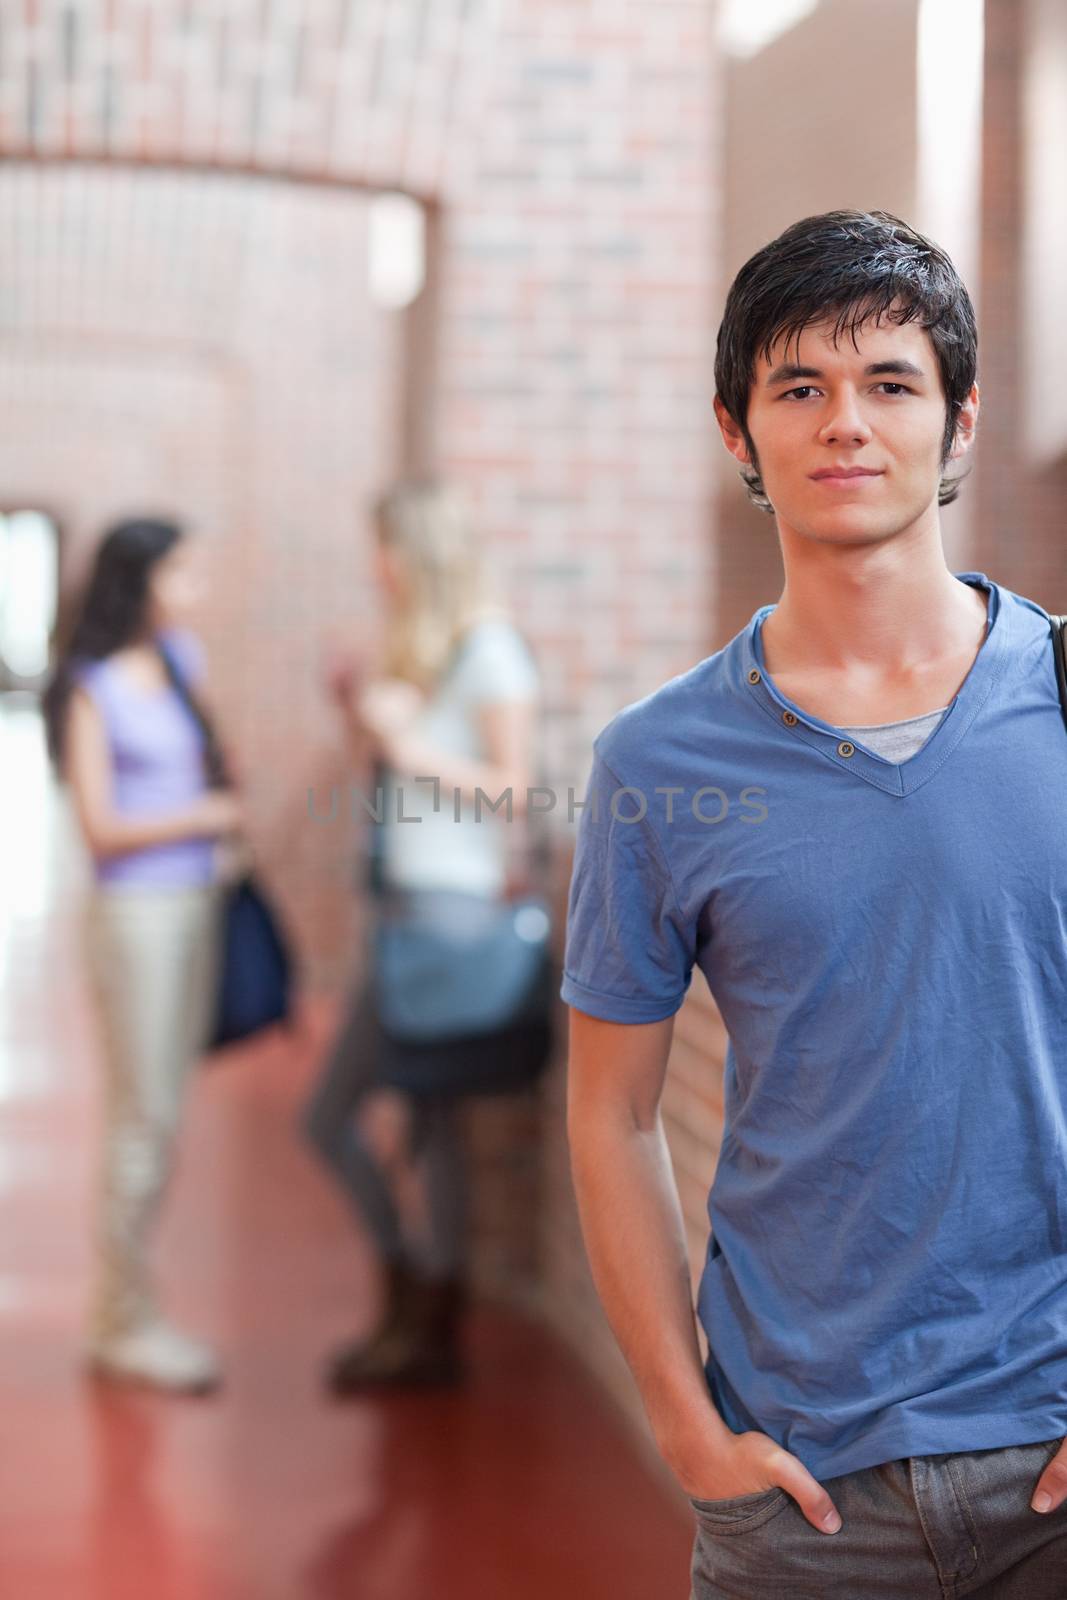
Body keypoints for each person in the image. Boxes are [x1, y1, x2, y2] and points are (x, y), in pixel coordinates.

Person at [562, 210, 1067, 1597]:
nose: (845, 425)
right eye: (799, 388)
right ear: (737, 431)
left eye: (889, 385)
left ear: (957, 426)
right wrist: (680, 1419)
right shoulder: (656, 765)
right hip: (798, 1495)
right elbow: (609, 1113)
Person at [303, 480, 540, 1391]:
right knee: (420, 1124)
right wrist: (356, 717)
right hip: (409, 909)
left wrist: (407, 749)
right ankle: (417, 1313)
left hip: (452, 914)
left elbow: (516, 788)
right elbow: (401, 787)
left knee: (359, 1117)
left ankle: (422, 1314)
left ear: (412, 555)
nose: (373, 569)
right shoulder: (431, 652)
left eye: (381, 551)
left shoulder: (488, 650)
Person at [43, 517, 244, 1393]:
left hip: (195, 906)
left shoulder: (179, 662)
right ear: (143, 579)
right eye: (182, 570)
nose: (194, 584)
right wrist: (200, 819)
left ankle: (124, 1312)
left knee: (163, 1110)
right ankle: (122, 1320)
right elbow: (101, 829)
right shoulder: (89, 688)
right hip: (136, 917)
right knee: (142, 1117)